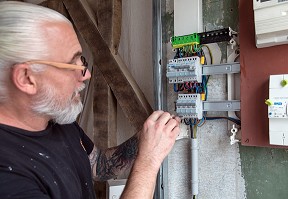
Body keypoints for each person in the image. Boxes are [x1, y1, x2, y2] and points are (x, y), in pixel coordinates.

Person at [0, 1, 181, 199]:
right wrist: (148, 161)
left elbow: (99, 164)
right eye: (72, 65)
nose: (85, 75)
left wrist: (149, 138)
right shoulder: (8, 176)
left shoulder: (54, 116)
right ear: (26, 78)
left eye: (82, 61)